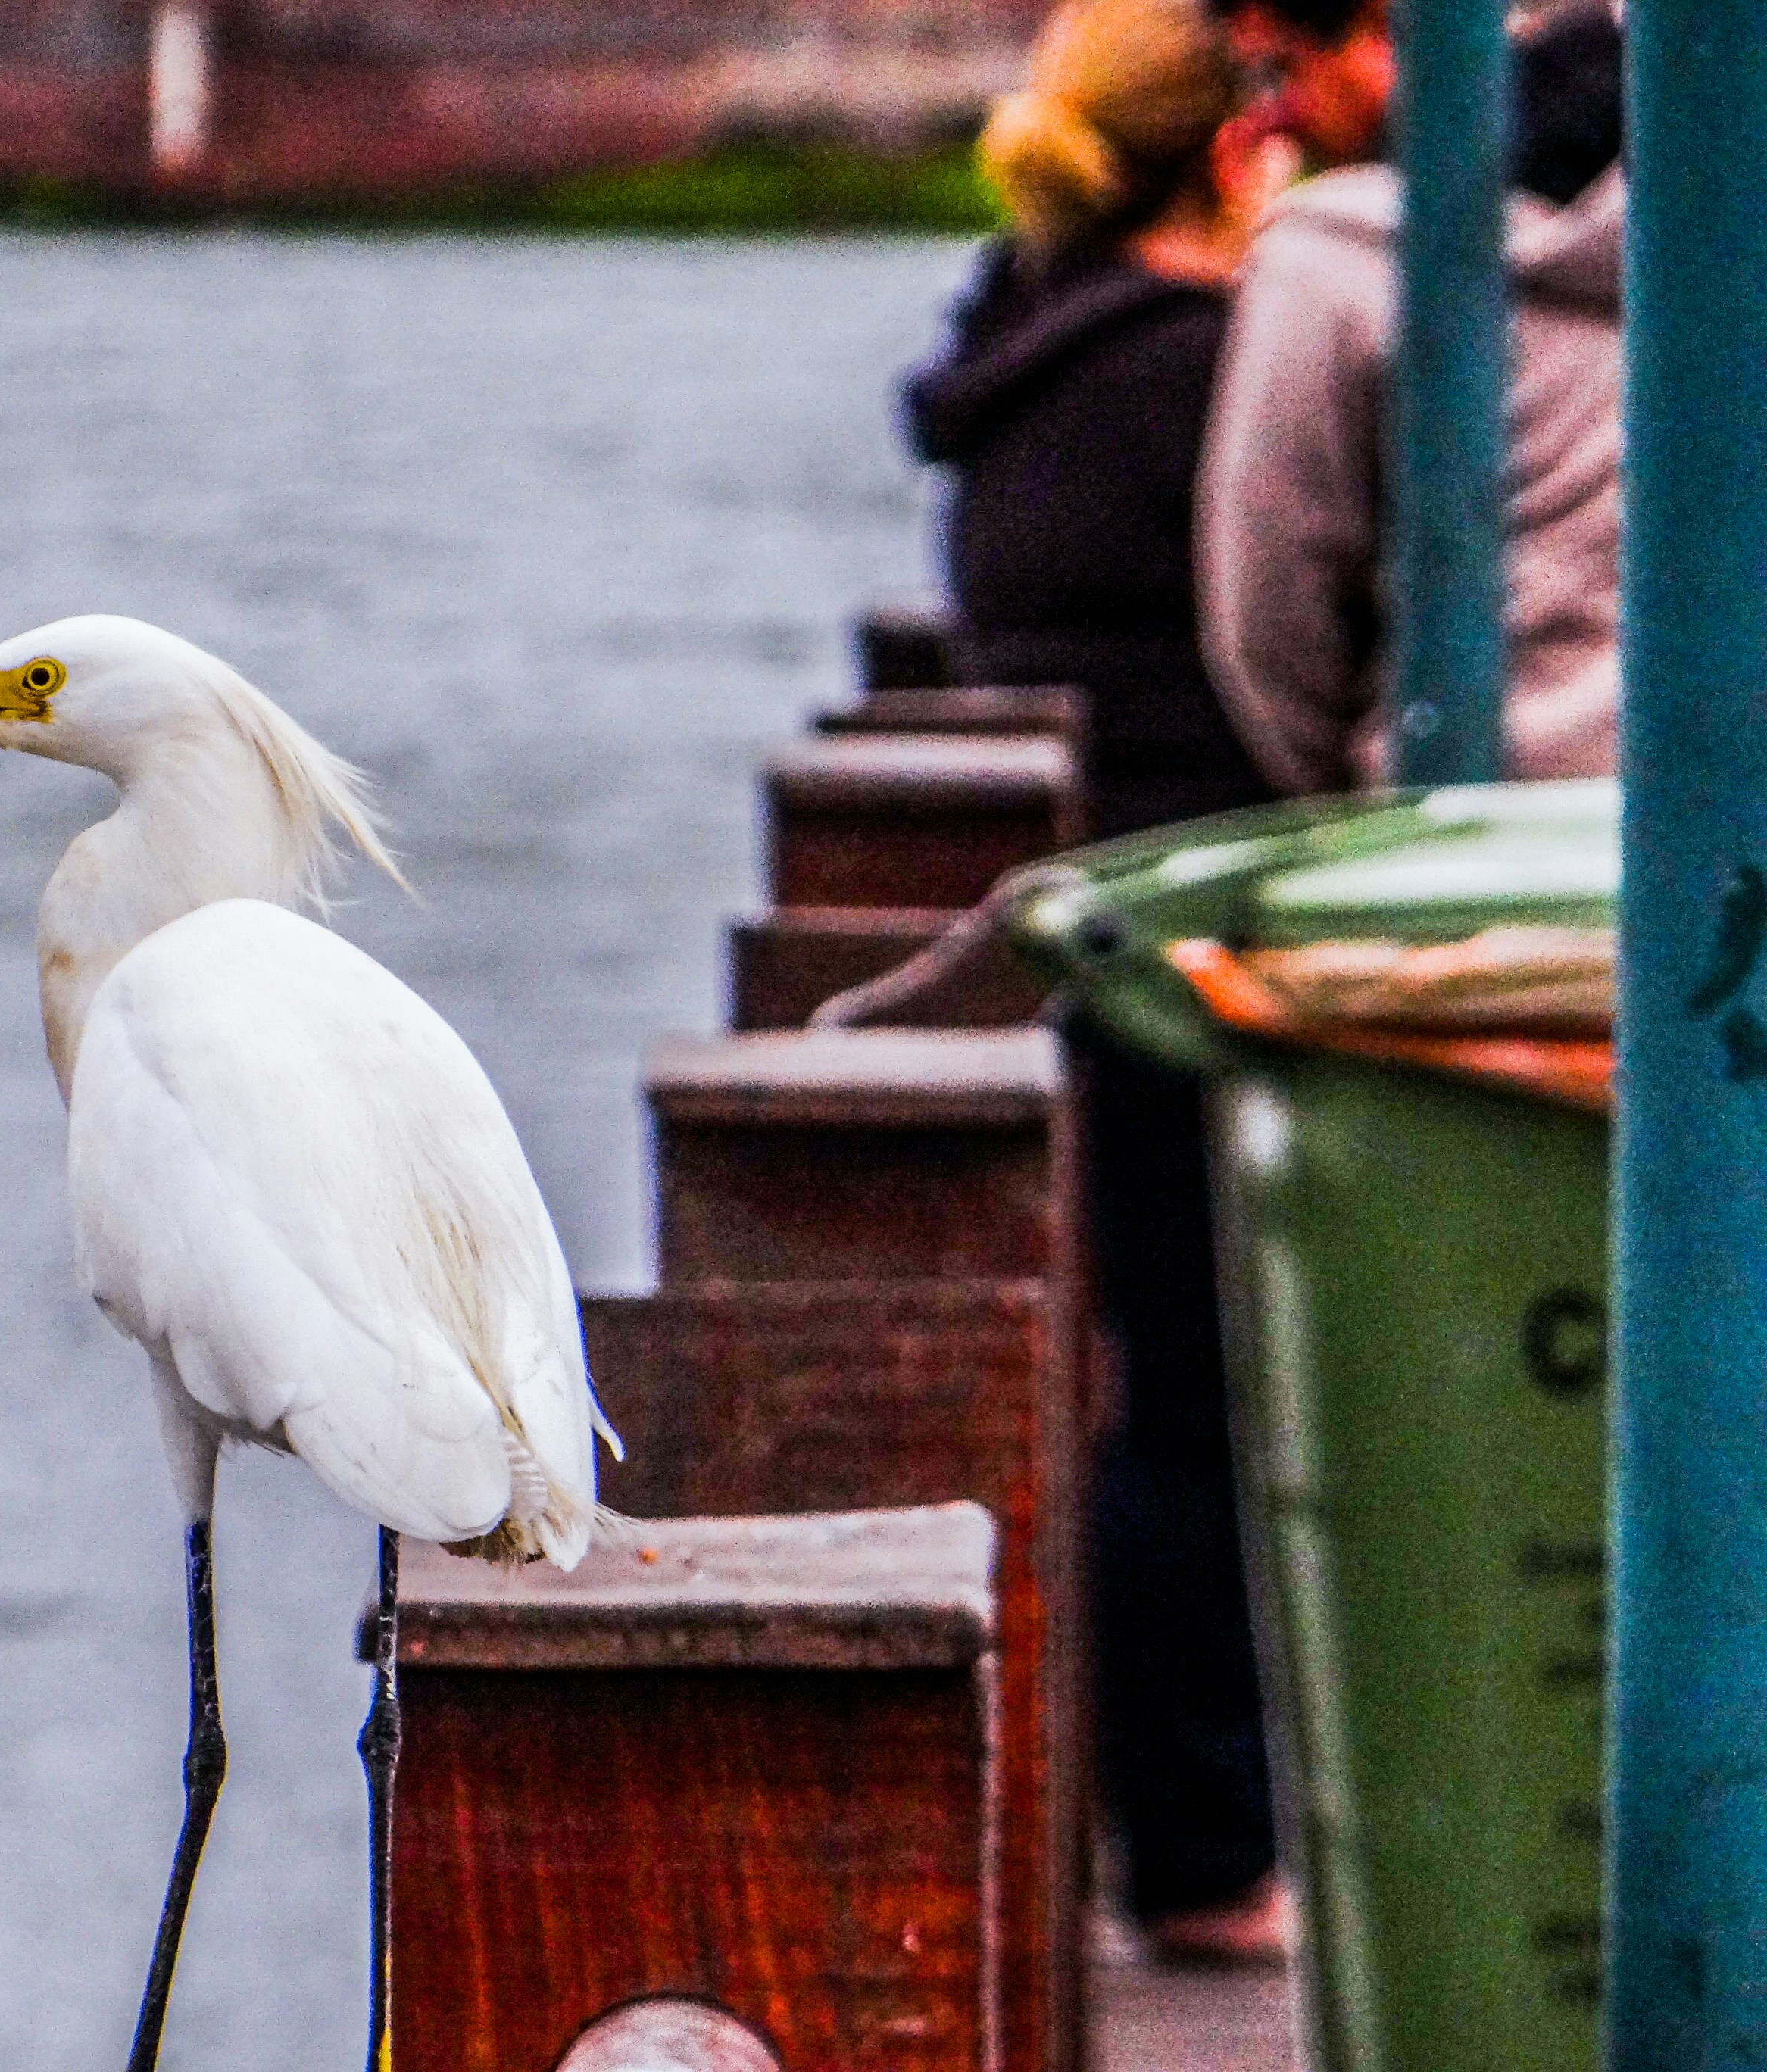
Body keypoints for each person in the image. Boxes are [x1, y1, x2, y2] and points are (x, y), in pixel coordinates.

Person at [901, 0, 1289, 1964]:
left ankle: (1187, 1835)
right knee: (1210, 1404)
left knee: (1157, 1388)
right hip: (1208, 913)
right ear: (1236, 146)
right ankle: (1215, 1850)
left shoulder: (1019, 347)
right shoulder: (1200, 366)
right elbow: (1296, 618)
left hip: (1088, 913)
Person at [1197, 0, 1625, 791]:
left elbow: (1267, 620)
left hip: (1440, 830)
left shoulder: (1324, 263)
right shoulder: (1713, 248)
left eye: (1282, 68)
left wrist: (1362, 794)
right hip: (1715, 824)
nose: (1282, 108)